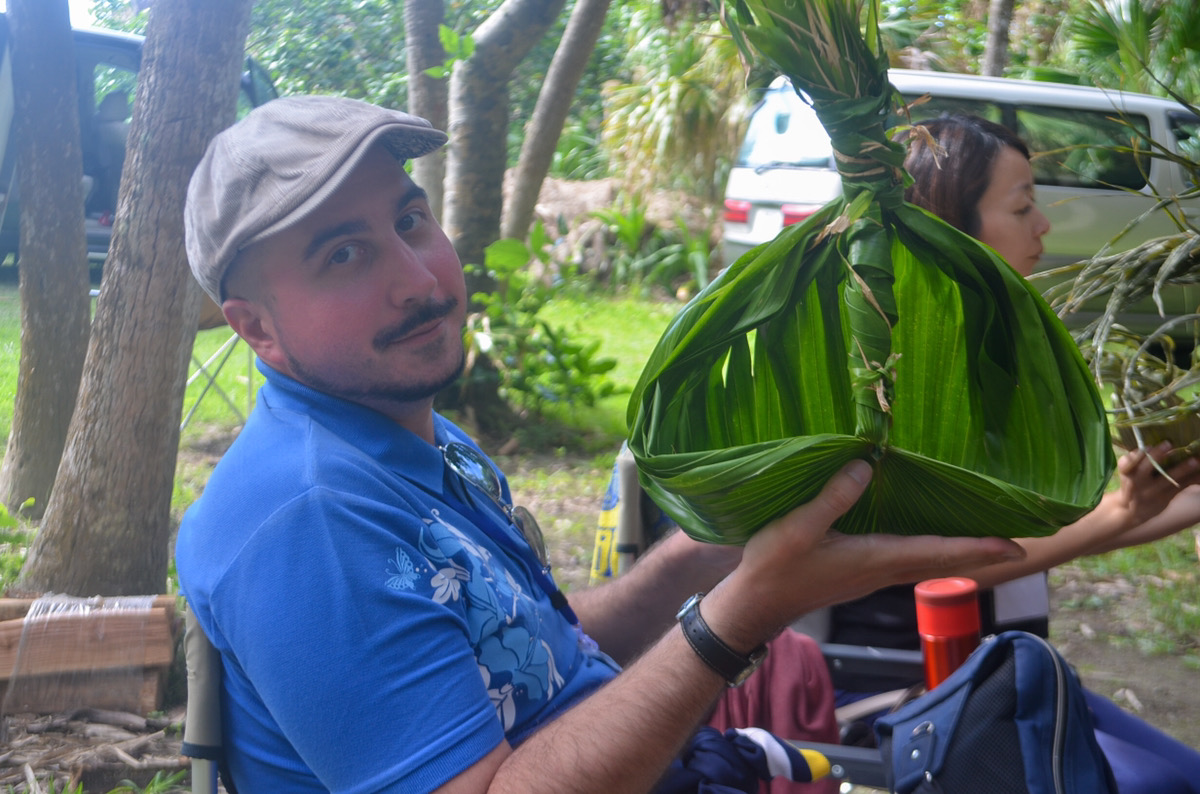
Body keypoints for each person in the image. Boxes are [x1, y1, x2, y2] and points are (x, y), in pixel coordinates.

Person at [174, 95, 1022, 793]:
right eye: (345, 255)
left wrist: (710, 552)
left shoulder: (402, 435)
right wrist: (742, 613)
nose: (419, 277)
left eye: (410, 219)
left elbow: (542, 659)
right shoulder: (309, 516)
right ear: (257, 331)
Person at [596, 113, 1200, 791]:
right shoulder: (891, 388)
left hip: (1003, 672)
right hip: (907, 701)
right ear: (941, 227)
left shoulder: (1002, 365)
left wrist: (1149, 501)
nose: (1044, 228)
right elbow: (938, 562)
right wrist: (1118, 515)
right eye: (1023, 206)